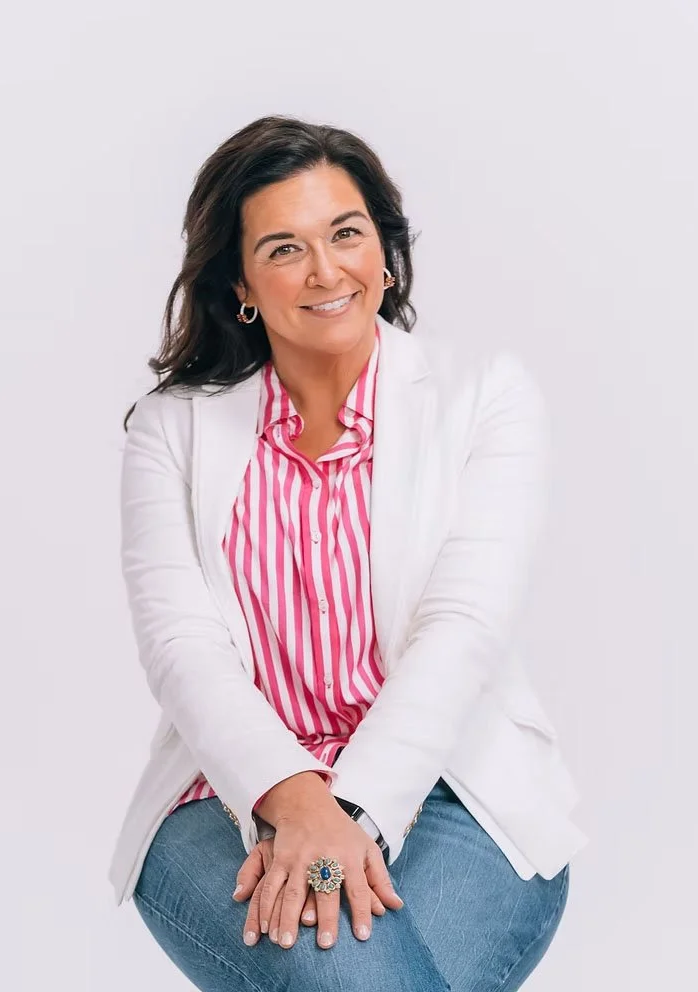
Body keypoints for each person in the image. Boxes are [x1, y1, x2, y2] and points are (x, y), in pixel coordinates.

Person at [107, 115, 588, 991]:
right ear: (240, 282)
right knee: (351, 973)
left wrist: (349, 813)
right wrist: (295, 799)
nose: (326, 271)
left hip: (452, 788)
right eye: (284, 248)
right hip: (229, 792)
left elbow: (461, 628)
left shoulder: (485, 397)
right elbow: (181, 647)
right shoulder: (170, 429)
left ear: (385, 253)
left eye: (346, 234)